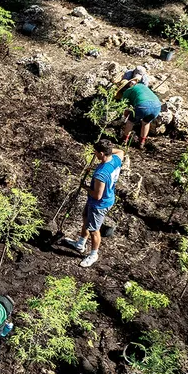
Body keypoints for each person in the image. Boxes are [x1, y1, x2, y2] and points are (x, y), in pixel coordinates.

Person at [62, 140, 124, 268]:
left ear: (102, 153)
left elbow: (97, 195)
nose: (94, 154)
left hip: (99, 204)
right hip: (104, 198)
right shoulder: (116, 159)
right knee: (85, 217)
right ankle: (80, 244)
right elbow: (121, 151)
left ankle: (93, 255)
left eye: (96, 152)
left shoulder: (101, 174)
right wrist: (98, 165)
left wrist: (84, 187)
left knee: (94, 230)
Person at [117, 73, 161, 149]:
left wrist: (124, 120)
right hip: (157, 105)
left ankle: (124, 141)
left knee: (130, 121)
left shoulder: (127, 92)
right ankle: (142, 142)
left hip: (143, 105)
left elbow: (125, 109)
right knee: (146, 122)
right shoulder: (142, 86)